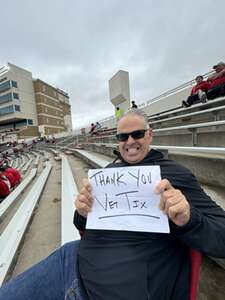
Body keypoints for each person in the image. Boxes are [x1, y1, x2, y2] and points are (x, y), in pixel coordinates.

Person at [1, 111, 225, 300]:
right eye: (122, 136)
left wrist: (188, 218)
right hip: (72, 258)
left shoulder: (176, 174)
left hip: (104, 290)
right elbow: (82, 225)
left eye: (137, 134)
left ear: (149, 135)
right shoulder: (108, 172)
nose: (129, 142)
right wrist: (81, 212)